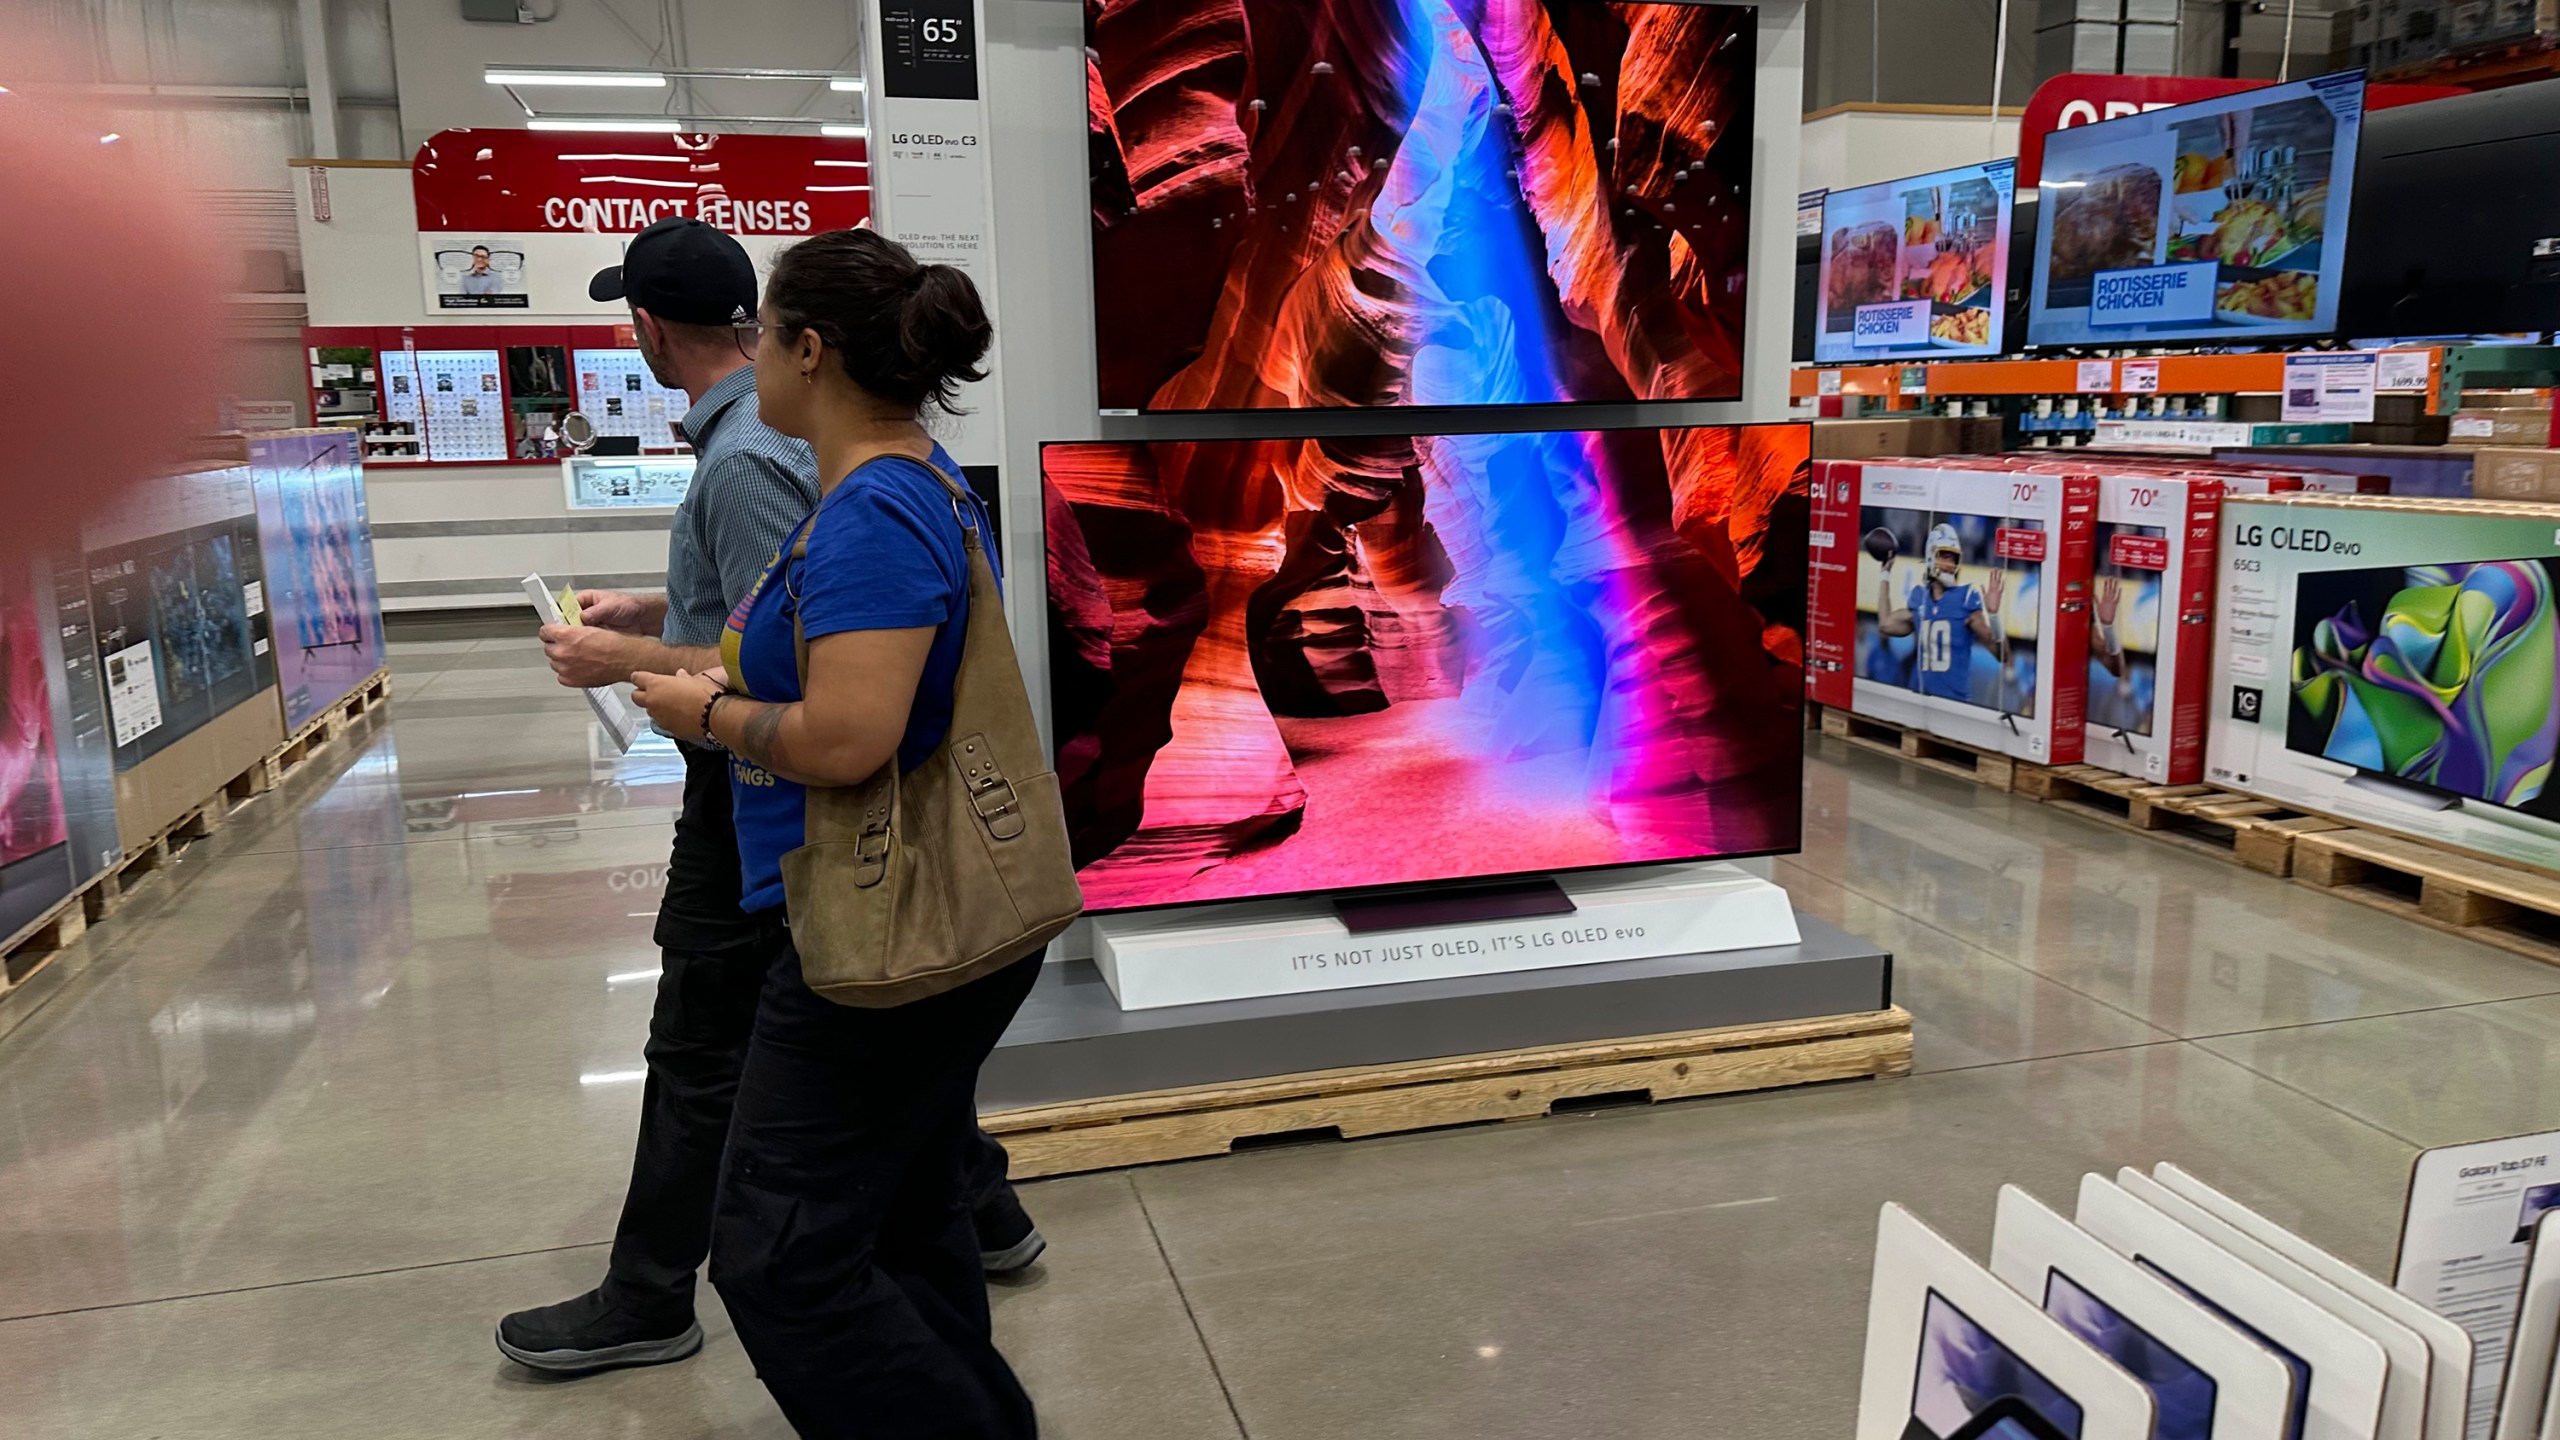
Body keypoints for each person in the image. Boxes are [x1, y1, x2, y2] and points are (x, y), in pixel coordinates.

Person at [496, 217, 1040, 1380]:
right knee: (903, 1199)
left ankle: (667, 1298)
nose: (754, 355)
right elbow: (809, 625)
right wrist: (670, 625)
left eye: (773, 332)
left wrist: (689, 702)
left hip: (841, 861)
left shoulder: (853, 500)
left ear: (806, 350)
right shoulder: (901, 481)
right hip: (888, 875)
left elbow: (840, 727)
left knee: (774, 1240)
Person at [1877, 522, 2009, 707]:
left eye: (1953, 559)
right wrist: (1885, 574)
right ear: (1930, 556)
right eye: (1944, 556)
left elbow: (2002, 654)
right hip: (1920, 700)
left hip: (1954, 704)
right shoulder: (1920, 597)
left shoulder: (1966, 598)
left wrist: (1994, 616)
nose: (1949, 564)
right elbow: (1885, 624)